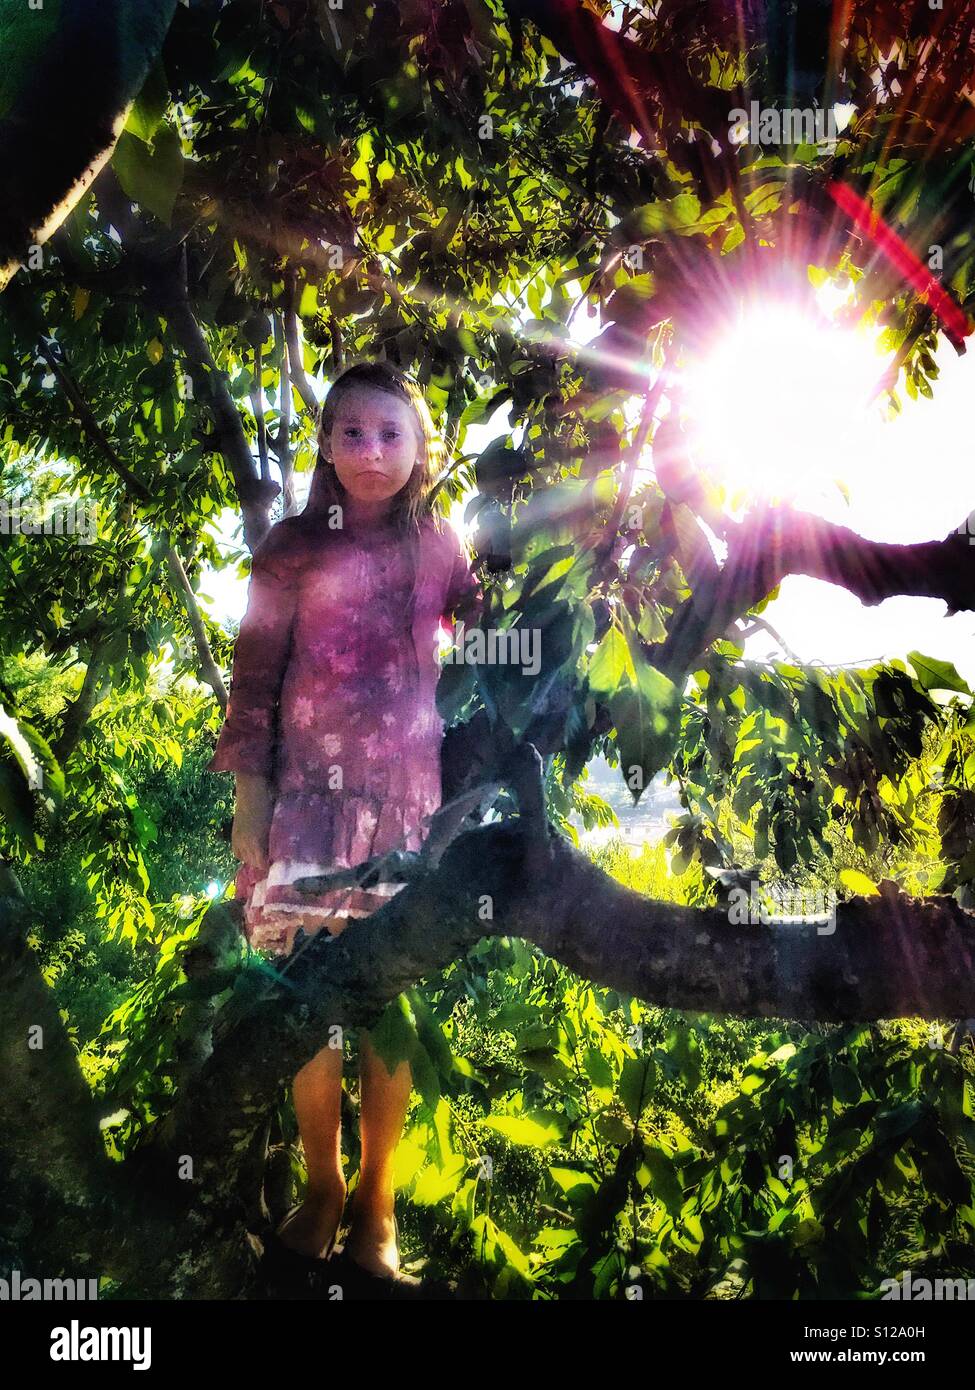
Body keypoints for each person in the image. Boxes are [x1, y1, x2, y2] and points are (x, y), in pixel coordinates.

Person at [206, 361, 481, 1278]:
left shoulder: (440, 546)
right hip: (303, 811)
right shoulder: (290, 545)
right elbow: (252, 679)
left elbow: (487, 641)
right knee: (302, 1004)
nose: (370, 451)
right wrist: (250, 803)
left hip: (404, 808)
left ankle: (376, 1201)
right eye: (351, 432)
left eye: (390, 433)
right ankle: (321, 1186)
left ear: (420, 447)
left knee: (383, 1002)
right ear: (325, 444)